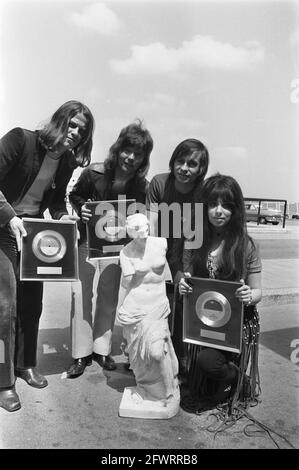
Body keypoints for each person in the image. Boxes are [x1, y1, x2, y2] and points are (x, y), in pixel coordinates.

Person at [0, 100, 94, 412]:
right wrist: (9, 215)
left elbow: (53, 203)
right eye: (72, 124)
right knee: (5, 307)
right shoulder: (20, 139)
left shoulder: (66, 161)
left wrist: (63, 217)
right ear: (59, 120)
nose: (76, 133)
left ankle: (25, 365)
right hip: (3, 227)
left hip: (33, 234)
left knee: (32, 304)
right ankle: (3, 381)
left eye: (82, 130)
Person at [67, 119, 153, 377]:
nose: (131, 157)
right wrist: (81, 208)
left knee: (108, 297)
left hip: (116, 249)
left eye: (138, 154)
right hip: (86, 244)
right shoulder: (93, 172)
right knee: (80, 296)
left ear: (143, 158)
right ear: (118, 148)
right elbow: (75, 196)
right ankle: (80, 354)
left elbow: (139, 216)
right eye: (128, 150)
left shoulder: (142, 185)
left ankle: (101, 349)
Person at [179, 173, 262, 416]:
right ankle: (222, 379)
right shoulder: (193, 240)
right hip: (204, 320)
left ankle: (239, 380)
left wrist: (250, 294)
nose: (218, 211)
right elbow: (187, 277)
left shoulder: (247, 245)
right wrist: (184, 286)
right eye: (213, 205)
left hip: (236, 325)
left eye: (226, 205)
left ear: (235, 210)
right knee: (195, 382)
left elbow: (258, 291)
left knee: (207, 363)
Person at [146, 138, 209, 377]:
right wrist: (154, 263)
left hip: (188, 252)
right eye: (180, 161)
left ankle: (183, 363)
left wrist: (187, 267)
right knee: (156, 307)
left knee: (183, 307)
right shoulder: (159, 183)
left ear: (201, 169)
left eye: (192, 164)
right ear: (173, 162)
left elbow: (200, 231)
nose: (184, 168)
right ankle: (150, 358)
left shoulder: (203, 190)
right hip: (161, 248)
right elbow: (151, 226)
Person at [116, 213, 180, 417]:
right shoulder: (125, 252)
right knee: (140, 356)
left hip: (157, 307)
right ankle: (149, 389)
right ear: (131, 232)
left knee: (156, 352)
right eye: (138, 232)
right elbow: (126, 284)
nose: (144, 234)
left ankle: (169, 391)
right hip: (136, 309)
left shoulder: (161, 243)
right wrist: (138, 273)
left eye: (145, 229)